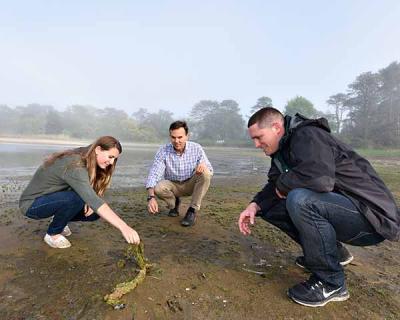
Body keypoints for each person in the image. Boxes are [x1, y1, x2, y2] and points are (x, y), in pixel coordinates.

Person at [238, 107, 399, 307]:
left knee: (300, 199)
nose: (256, 144)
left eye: (259, 137)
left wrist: (283, 184)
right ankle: (333, 254)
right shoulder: (282, 151)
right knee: (269, 206)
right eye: (253, 139)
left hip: (371, 218)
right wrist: (254, 205)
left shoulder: (308, 135)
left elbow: (319, 180)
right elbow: (274, 185)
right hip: (346, 211)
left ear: (277, 127)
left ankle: (331, 282)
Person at [19, 136, 140, 249]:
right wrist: (124, 227)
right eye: (110, 157)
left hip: (53, 198)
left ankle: (60, 220)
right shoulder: (75, 164)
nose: (112, 162)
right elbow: (92, 199)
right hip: (32, 205)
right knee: (77, 199)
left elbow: (93, 198)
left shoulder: (88, 157)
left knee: (95, 213)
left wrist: (91, 201)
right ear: (98, 149)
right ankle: (52, 234)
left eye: (115, 159)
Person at [146, 120, 213, 227]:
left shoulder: (196, 148)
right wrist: (151, 197)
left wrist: (204, 166)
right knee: (157, 187)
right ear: (170, 136)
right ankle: (174, 205)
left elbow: (209, 169)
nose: (176, 141)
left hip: (191, 184)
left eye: (180, 137)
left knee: (205, 173)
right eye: (173, 137)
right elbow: (154, 173)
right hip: (173, 185)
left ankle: (192, 211)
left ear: (187, 136)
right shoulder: (163, 151)